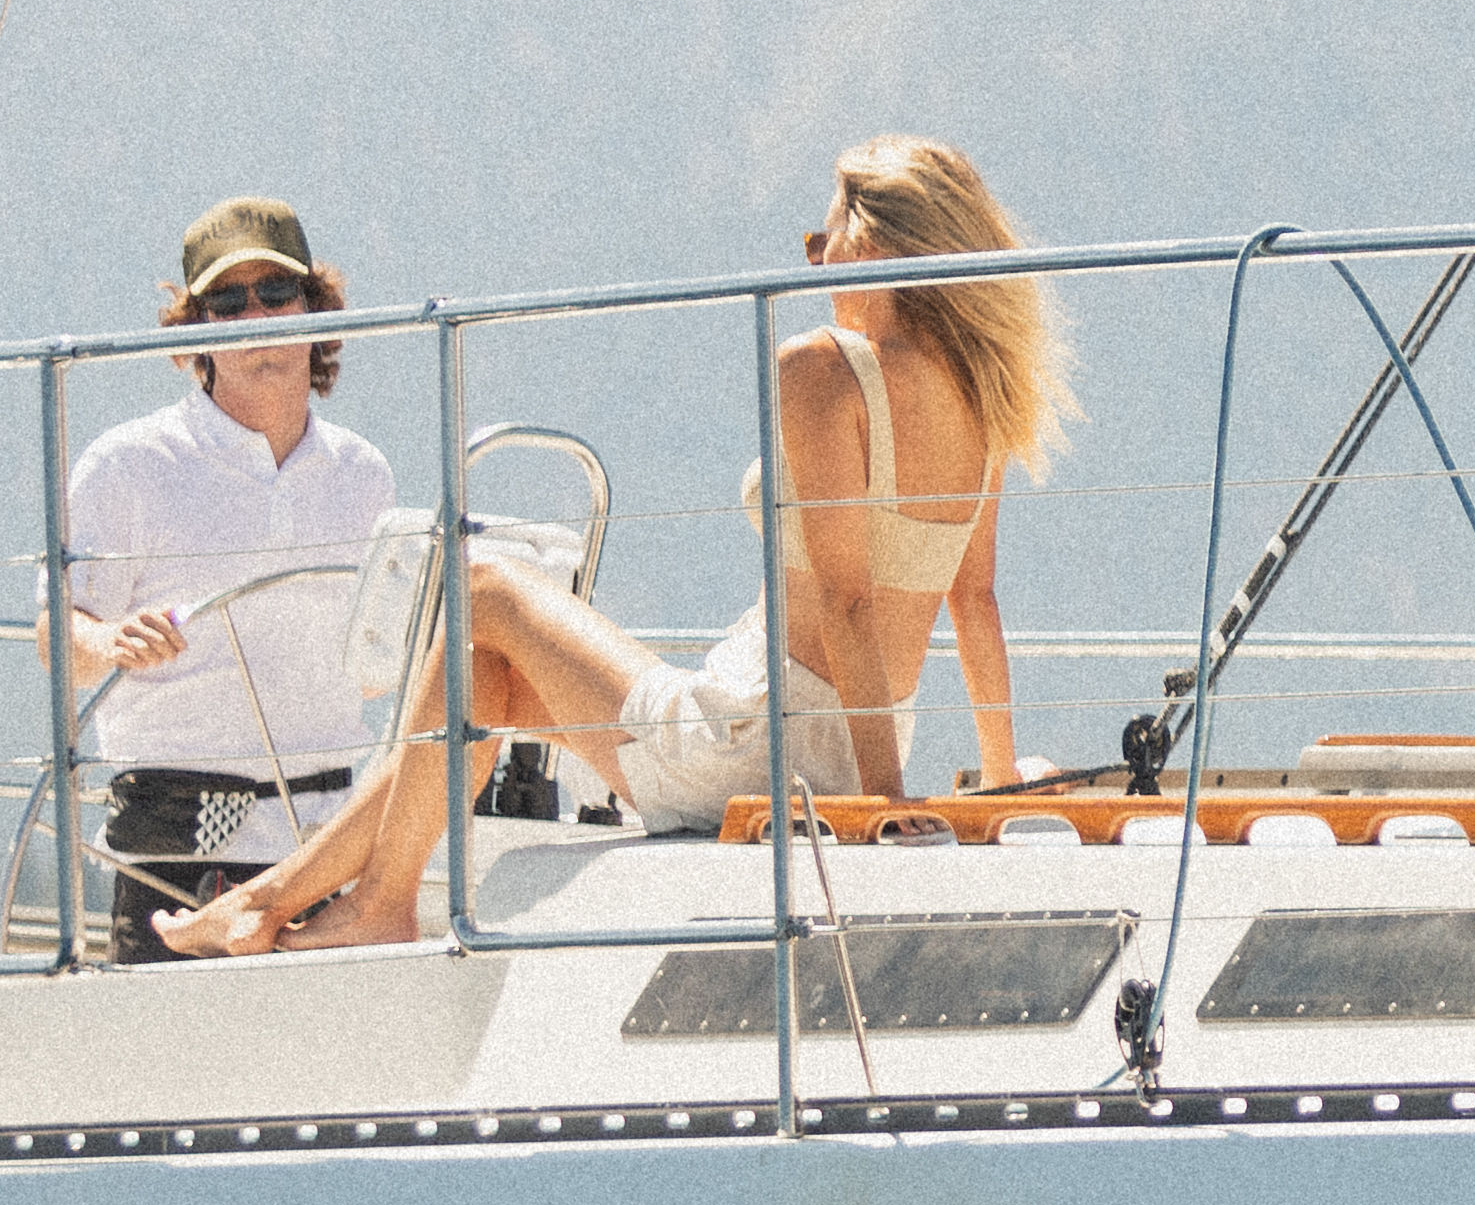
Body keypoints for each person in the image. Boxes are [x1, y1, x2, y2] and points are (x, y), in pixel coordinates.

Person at [169, 139, 1066, 953]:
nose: (816, 265)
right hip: (845, 738)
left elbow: (847, 600)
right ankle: (280, 901)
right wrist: (997, 781)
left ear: (871, 244)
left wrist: (885, 802)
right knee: (488, 681)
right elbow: (973, 599)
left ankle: (368, 902)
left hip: (753, 738)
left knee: (485, 586)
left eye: (819, 242)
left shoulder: (825, 367)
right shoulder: (982, 393)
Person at [55, 196, 396, 961]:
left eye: (275, 293)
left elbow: (375, 669)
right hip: (175, 845)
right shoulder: (129, 465)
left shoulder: (363, 474)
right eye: (227, 303)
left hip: (327, 845)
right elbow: (58, 642)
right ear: (197, 328)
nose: (256, 318)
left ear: (314, 309)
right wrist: (109, 641)